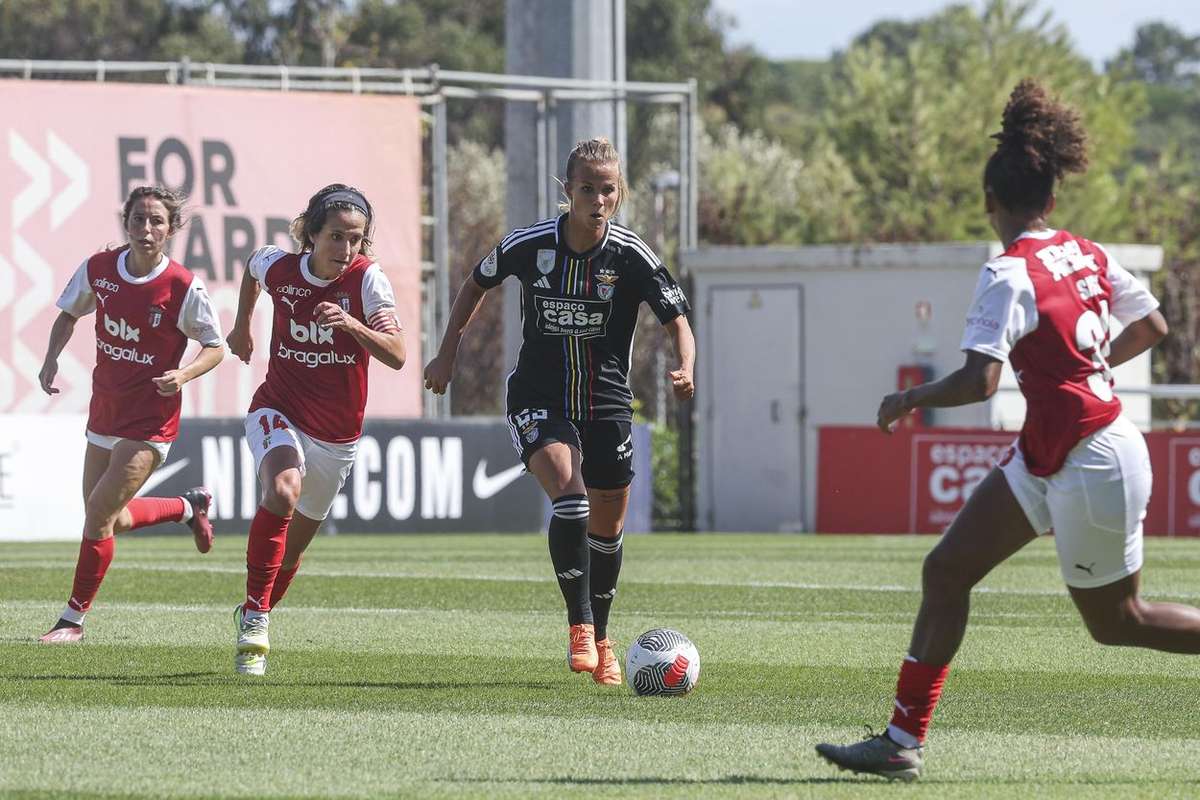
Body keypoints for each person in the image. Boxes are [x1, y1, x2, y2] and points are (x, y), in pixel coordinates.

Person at [815, 79, 1198, 781]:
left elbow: (979, 382)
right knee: (947, 570)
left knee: (1119, 623)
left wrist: (908, 398)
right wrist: (1092, 365)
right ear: (1051, 199)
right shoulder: (1084, 251)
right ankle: (901, 742)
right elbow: (1154, 325)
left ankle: (902, 739)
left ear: (990, 200)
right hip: (1054, 454)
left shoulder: (1007, 271)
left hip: (1092, 458)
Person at [424, 137, 695, 686]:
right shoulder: (532, 245)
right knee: (570, 499)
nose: (598, 200)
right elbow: (477, 281)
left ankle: (603, 637)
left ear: (620, 194)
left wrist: (686, 365)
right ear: (567, 190)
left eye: (609, 190)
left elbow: (677, 318)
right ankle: (581, 626)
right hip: (539, 397)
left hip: (607, 402)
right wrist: (447, 352)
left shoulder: (631, 255)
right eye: (588, 189)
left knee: (607, 529)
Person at [225, 184, 406, 676]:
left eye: (354, 239)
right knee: (282, 490)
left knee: (289, 555)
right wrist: (242, 327)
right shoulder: (280, 267)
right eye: (334, 237)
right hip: (277, 408)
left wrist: (351, 325)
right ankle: (256, 619)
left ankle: (256, 607)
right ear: (310, 233)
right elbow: (251, 269)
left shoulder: (368, 282)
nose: (344, 250)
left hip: (336, 437)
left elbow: (397, 354)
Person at [37, 186, 224, 644]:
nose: (146, 229)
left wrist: (183, 375)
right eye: (139, 219)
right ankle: (187, 507)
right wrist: (50, 359)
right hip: (106, 409)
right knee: (110, 519)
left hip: (150, 420)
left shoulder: (183, 286)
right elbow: (68, 316)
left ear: (171, 228)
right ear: (126, 221)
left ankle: (72, 620)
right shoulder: (99, 269)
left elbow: (216, 348)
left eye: (156, 221)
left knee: (98, 516)